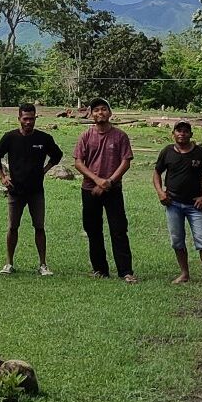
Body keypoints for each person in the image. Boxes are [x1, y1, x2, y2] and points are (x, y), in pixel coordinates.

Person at [0, 103, 63, 275]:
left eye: (32, 118)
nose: (29, 122)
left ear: (35, 118)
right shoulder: (10, 137)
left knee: (39, 227)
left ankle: (43, 264)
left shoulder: (44, 139)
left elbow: (57, 155)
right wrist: (2, 176)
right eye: (25, 119)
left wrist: (44, 170)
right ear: (19, 119)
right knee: (13, 227)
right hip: (15, 191)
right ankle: (9, 263)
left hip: (36, 191)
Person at [74, 98, 137, 282]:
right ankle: (100, 269)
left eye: (103, 109)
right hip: (89, 189)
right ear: (91, 114)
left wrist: (109, 182)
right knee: (93, 230)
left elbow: (126, 162)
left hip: (113, 190)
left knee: (118, 230)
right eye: (96, 110)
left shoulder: (120, 136)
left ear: (109, 113)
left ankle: (125, 271)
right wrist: (97, 180)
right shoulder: (85, 136)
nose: (100, 113)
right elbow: (78, 162)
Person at [154, 121, 202, 289]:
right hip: (173, 203)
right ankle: (184, 273)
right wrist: (160, 192)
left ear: (191, 134)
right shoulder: (167, 152)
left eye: (185, 131)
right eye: (178, 131)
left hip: (194, 205)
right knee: (177, 240)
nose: (182, 134)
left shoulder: (200, 153)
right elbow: (156, 173)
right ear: (173, 134)